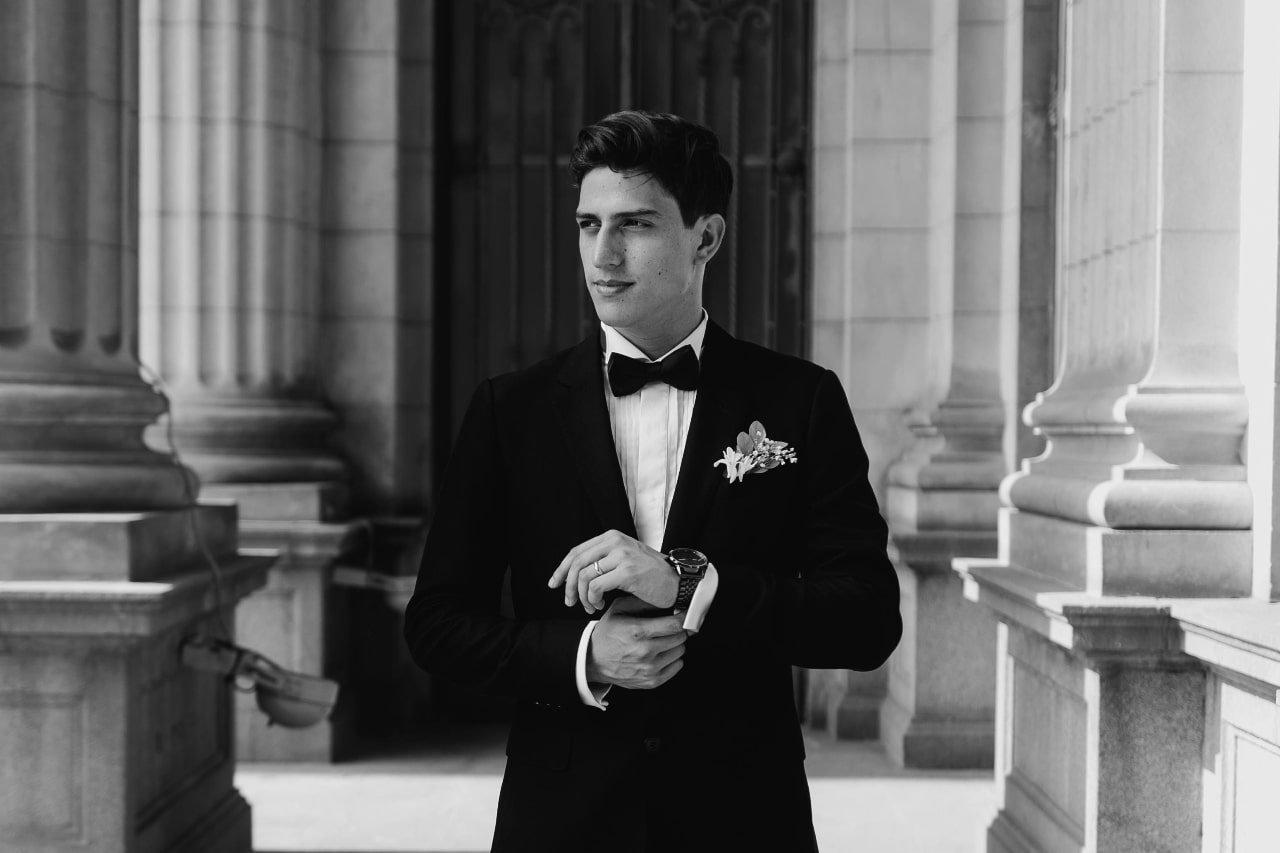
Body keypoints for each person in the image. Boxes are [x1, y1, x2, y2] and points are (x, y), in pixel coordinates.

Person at [404, 109, 901, 852]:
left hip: (743, 814)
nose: (603, 253)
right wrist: (582, 657)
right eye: (586, 224)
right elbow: (437, 625)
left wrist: (688, 580)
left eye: (634, 224)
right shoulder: (511, 410)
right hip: (562, 818)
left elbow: (867, 619)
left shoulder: (800, 400)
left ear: (706, 238)